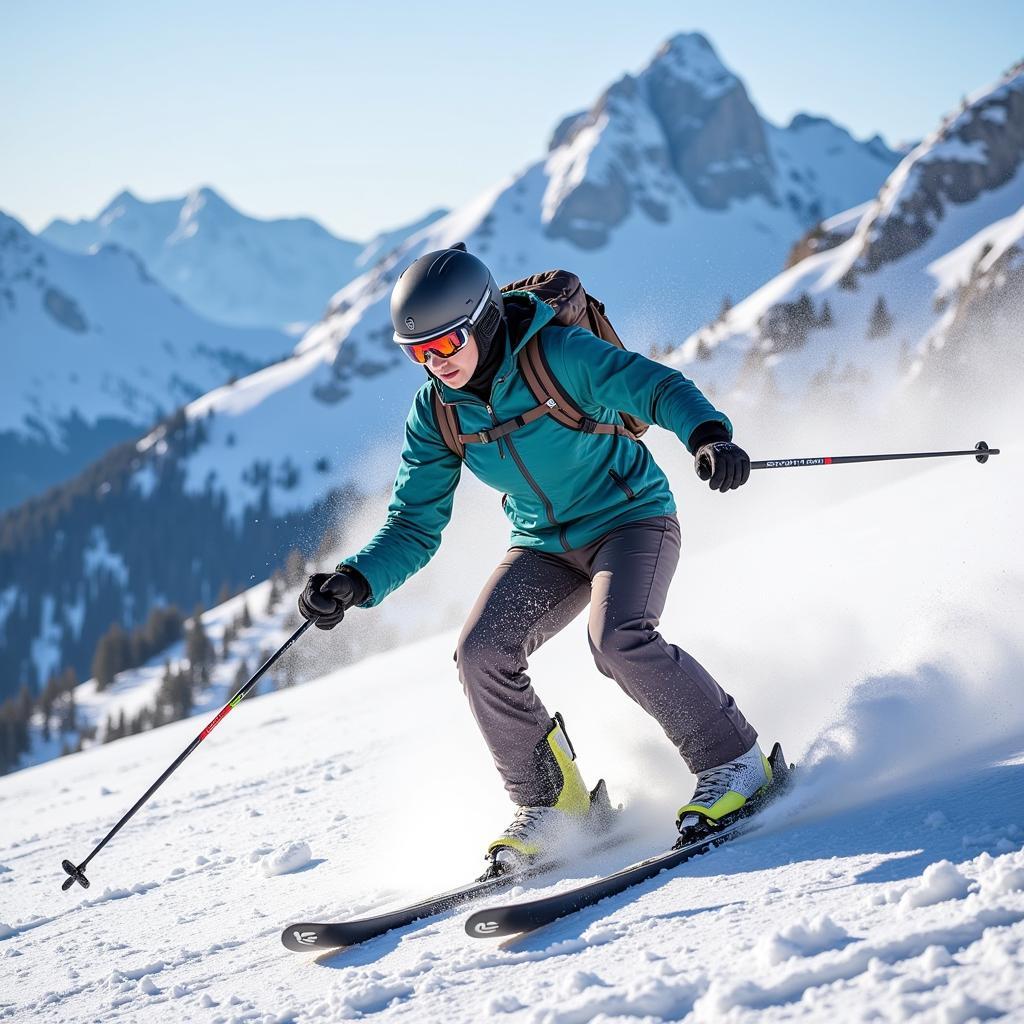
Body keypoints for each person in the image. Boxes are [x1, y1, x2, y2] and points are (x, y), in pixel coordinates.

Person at [298, 245, 769, 875]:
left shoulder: (559, 357)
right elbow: (414, 522)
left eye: (445, 344)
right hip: (543, 547)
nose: (435, 364)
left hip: (630, 520)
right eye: (417, 353)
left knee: (618, 639)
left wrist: (708, 435)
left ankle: (735, 762)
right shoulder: (437, 413)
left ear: (485, 319)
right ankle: (556, 805)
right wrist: (357, 579)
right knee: (481, 653)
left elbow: (654, 387)